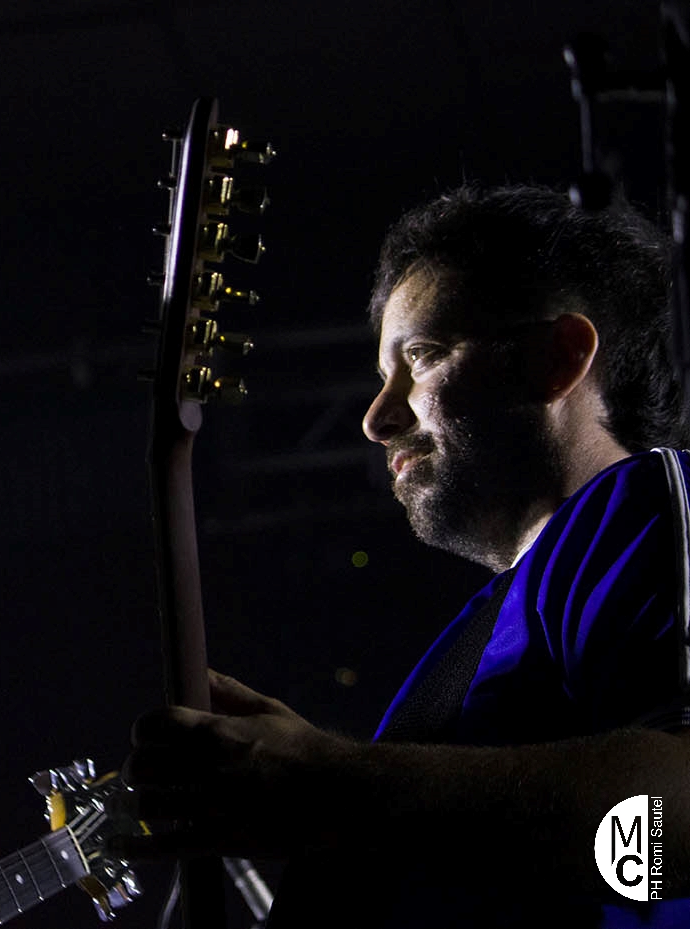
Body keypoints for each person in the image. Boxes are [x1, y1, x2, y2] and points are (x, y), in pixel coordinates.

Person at [115, 185, 690, 926]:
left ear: (557, 358)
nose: (376, 417)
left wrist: (327, 781)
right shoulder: (485, 634)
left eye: (420, 356)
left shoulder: (641, 504)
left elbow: (674, 833)